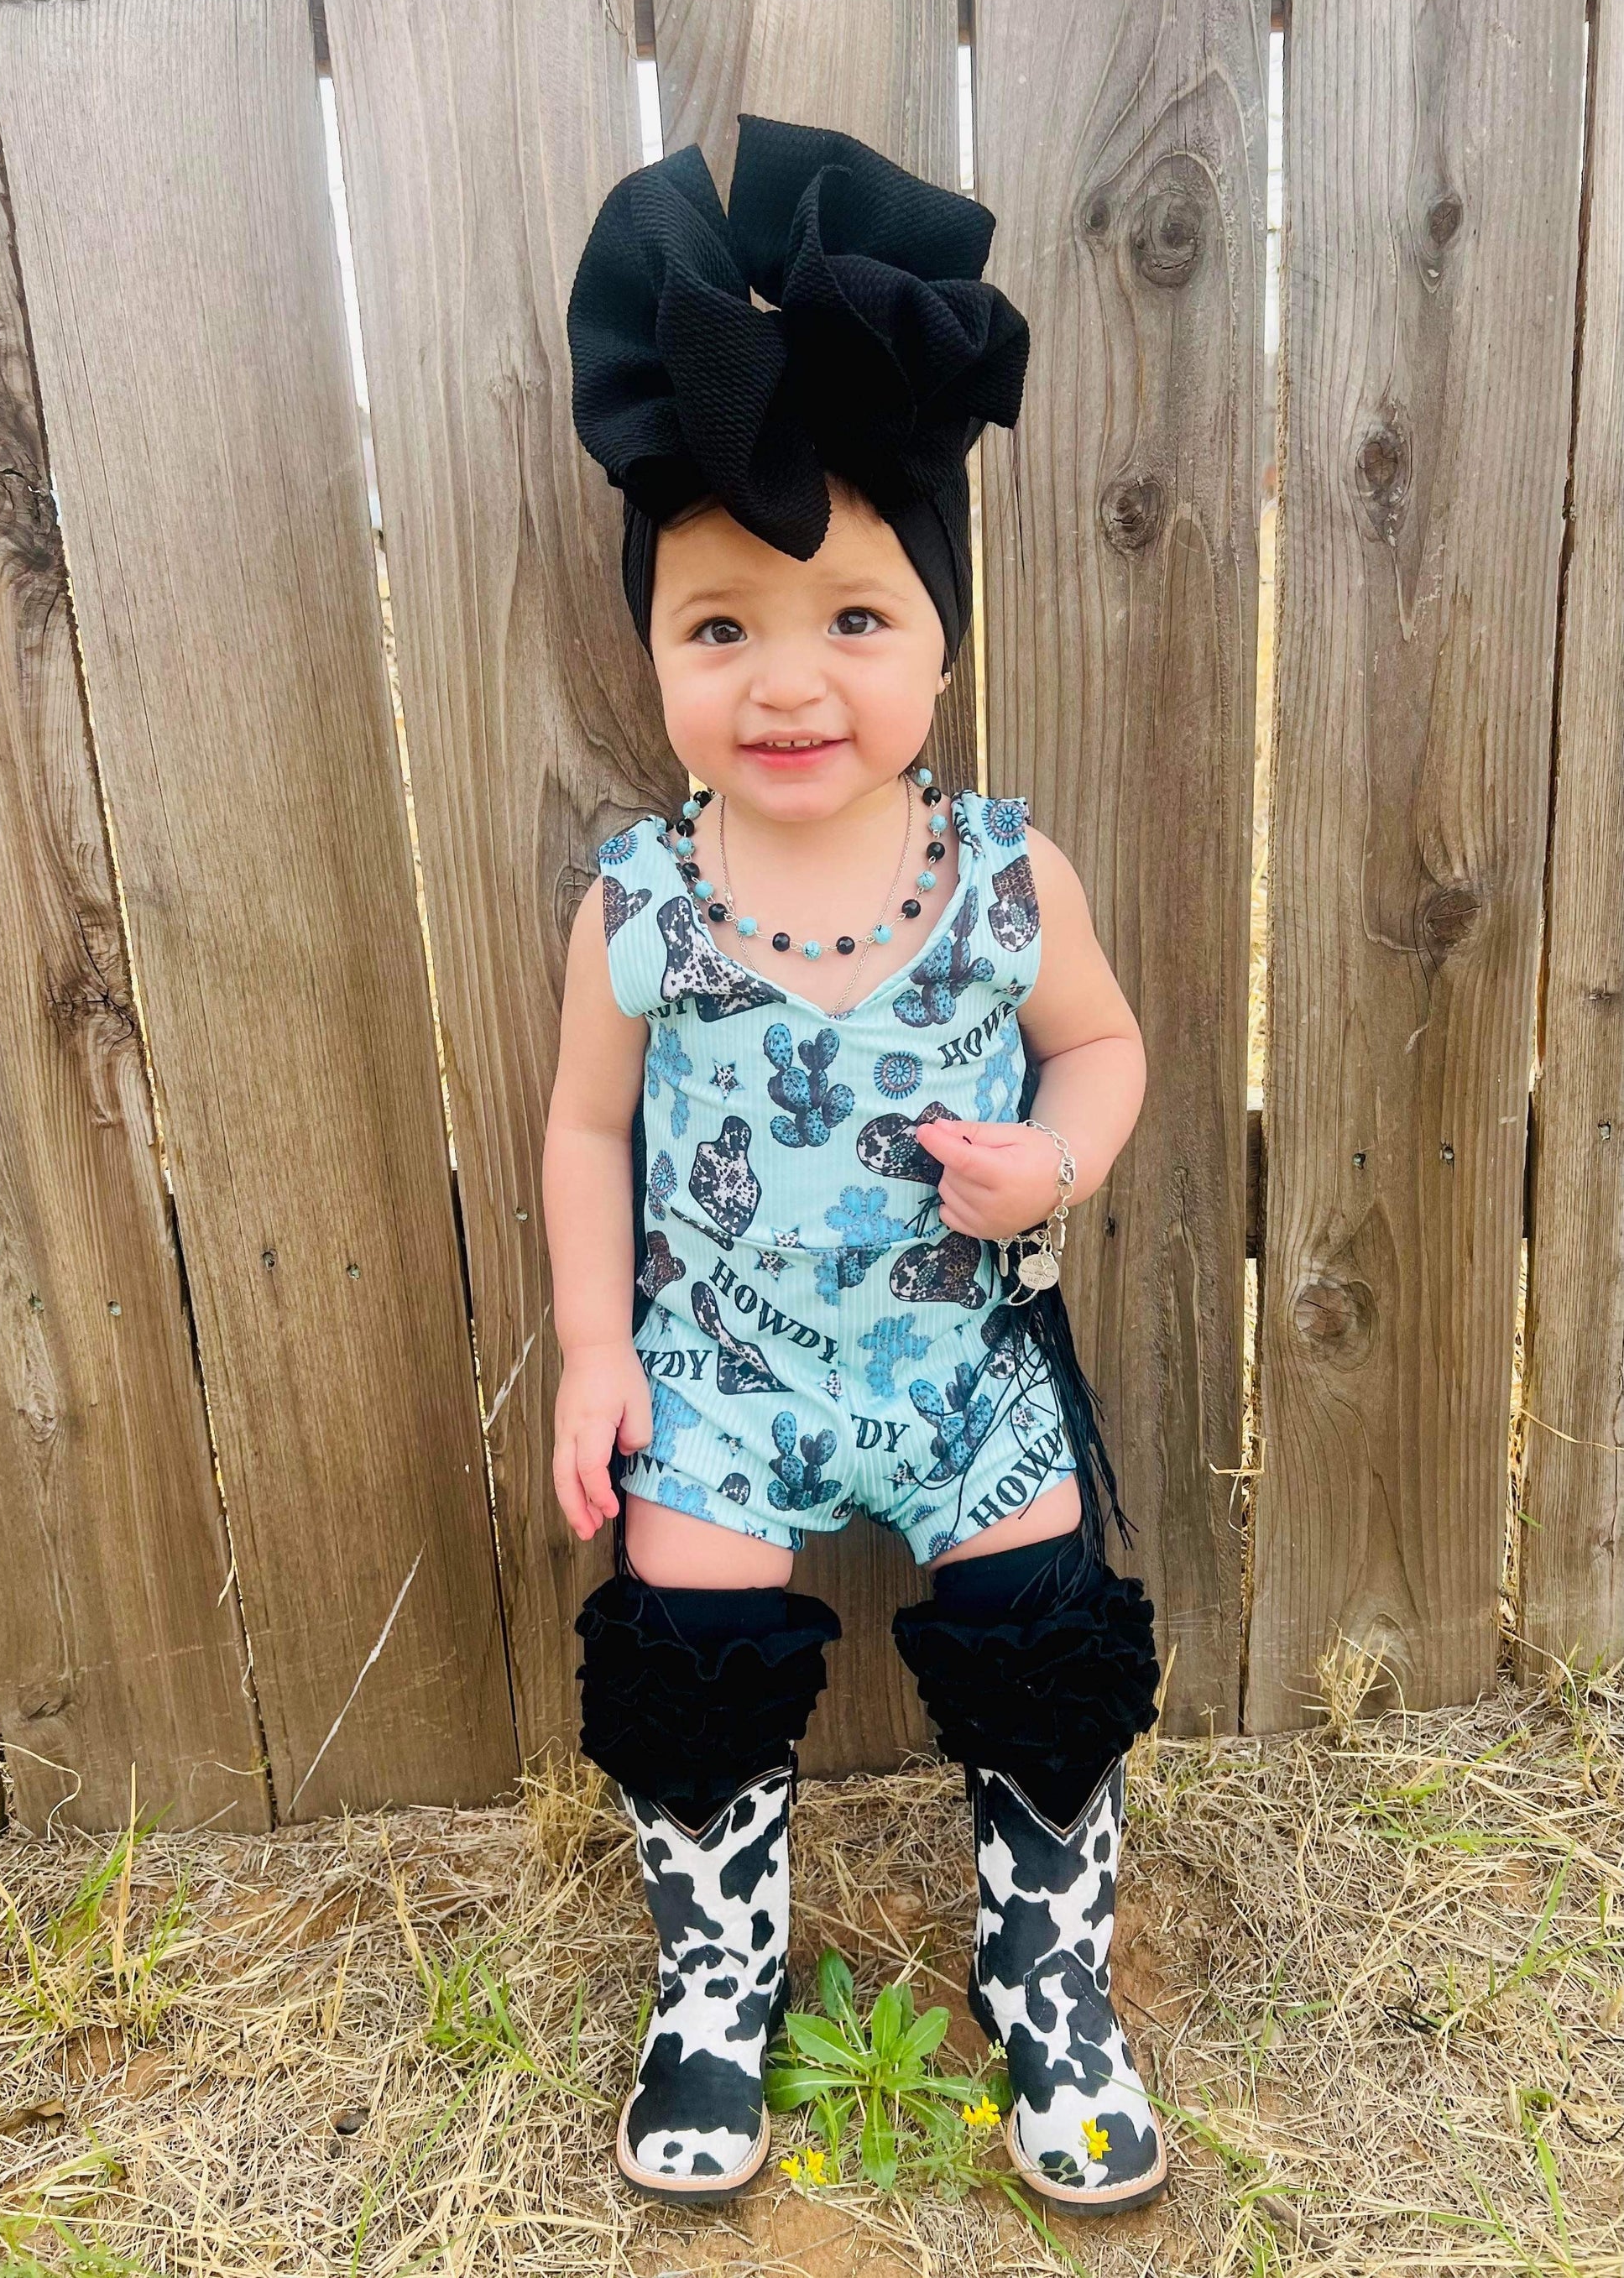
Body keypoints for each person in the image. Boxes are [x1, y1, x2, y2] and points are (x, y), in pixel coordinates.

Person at [543, 112, 1166, 2221]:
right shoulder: (642, 900)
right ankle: (717, 1979)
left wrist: (1054, 1162)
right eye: (719, 627)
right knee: (688, 1663)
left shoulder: (1003, 878)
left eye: (854, 617)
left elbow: (1103, 1044)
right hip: (717, 1375)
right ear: (655, 651)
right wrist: (595, 1351)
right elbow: (586, 1125)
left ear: (940, 638)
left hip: (962, 1368)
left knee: (1045, 1650)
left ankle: (1047, 1973)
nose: (789, 678)